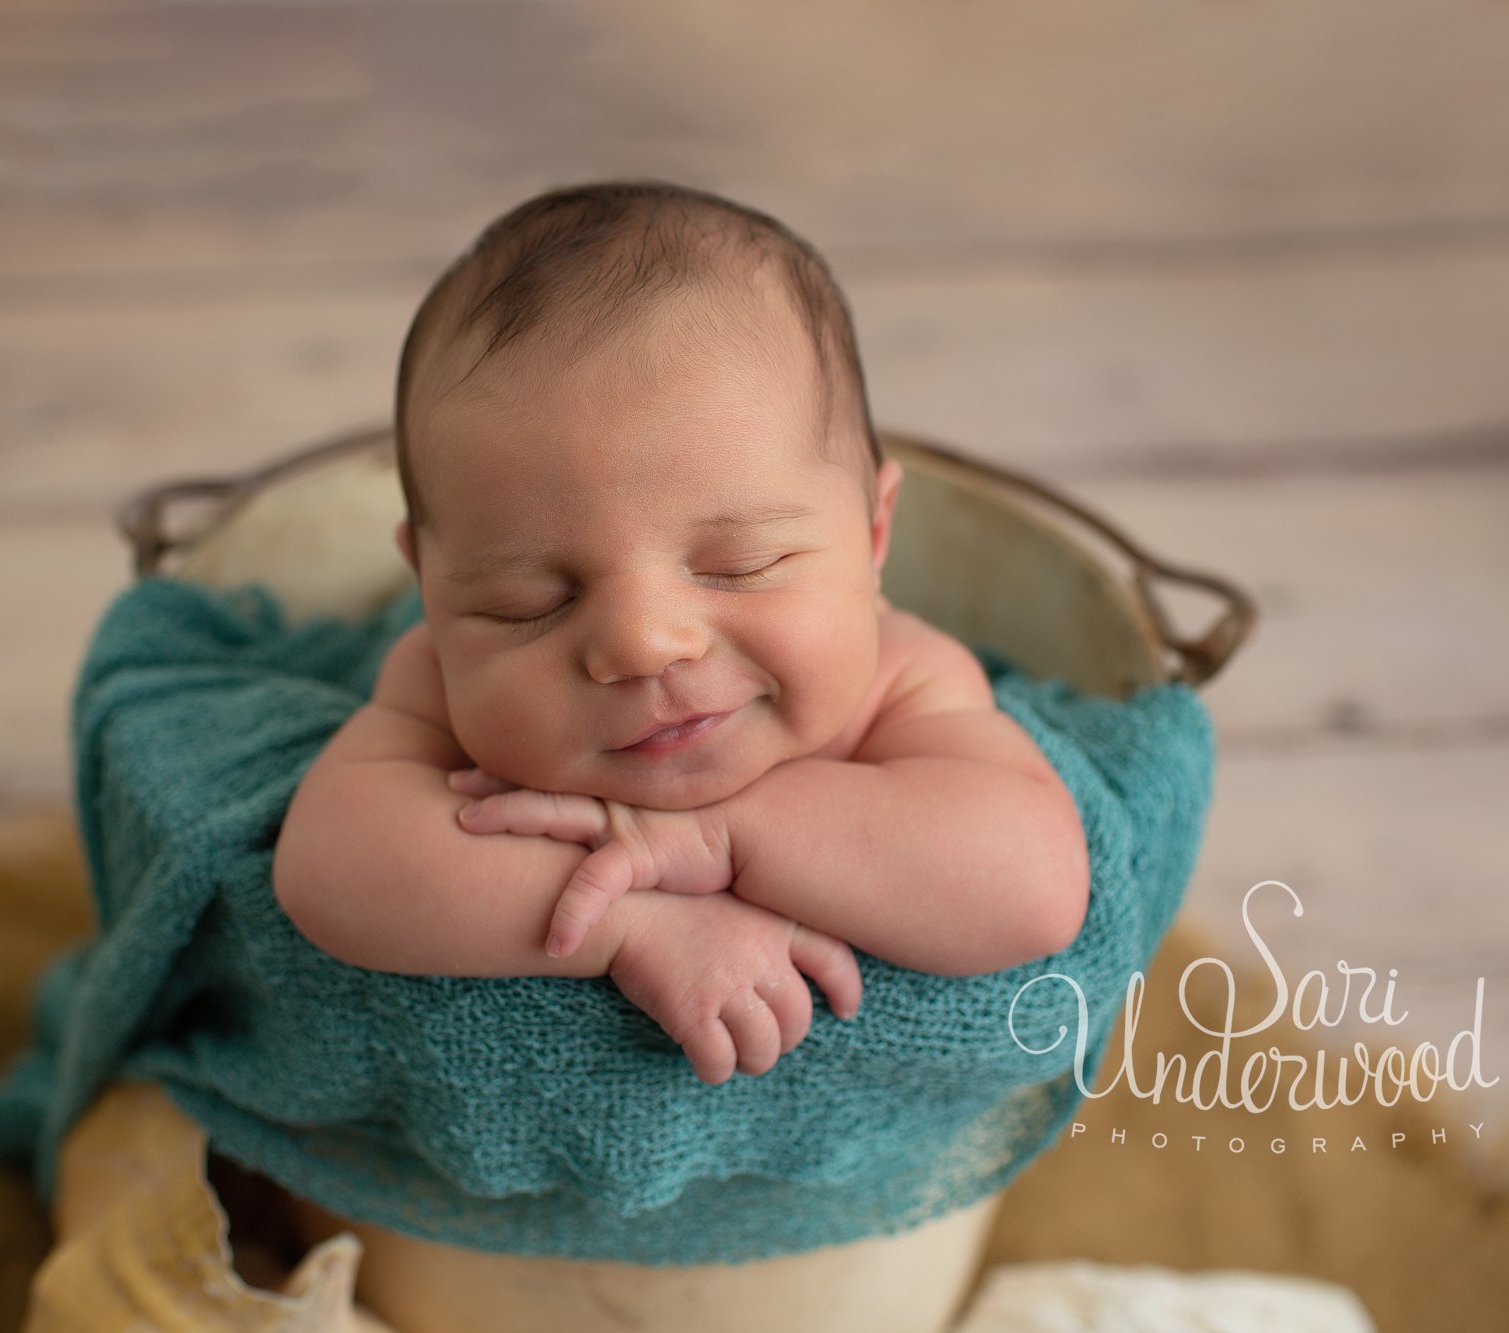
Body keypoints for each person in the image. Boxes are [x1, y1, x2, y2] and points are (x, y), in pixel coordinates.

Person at [273, 180, 1089, 1086]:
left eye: (737, 565)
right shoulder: (436, 682)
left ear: (871, 537)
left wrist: (718, 839)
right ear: (429, 592)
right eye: (527, 600)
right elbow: (333, 868)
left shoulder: (901, 679)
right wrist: (628, 922)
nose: (643, 643)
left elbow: (1034, 884)